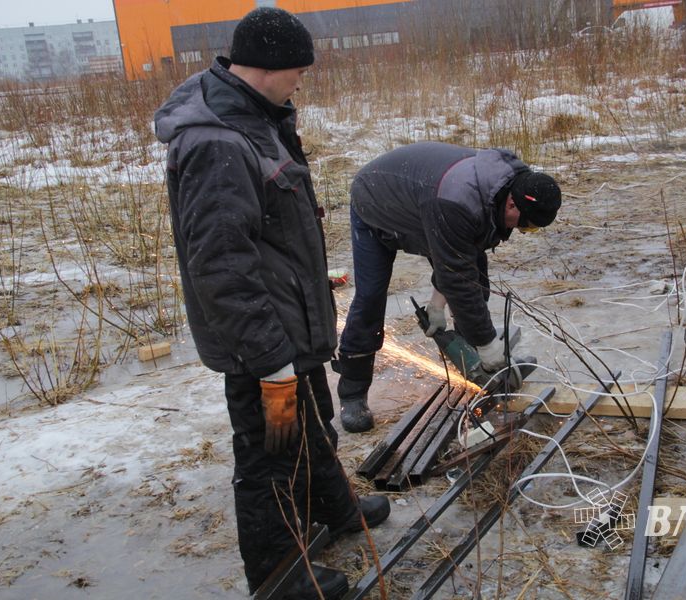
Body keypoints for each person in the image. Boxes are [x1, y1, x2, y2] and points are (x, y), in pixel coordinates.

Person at [154, 8, 389, 599]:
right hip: (260, 338)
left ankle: (333, 509)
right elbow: (221, 264)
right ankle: (280, 576)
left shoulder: (259, 119)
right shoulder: (216, 142)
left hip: (293, 318)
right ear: (267, 67)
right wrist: (268, 358)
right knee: (267, 456)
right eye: (298, 71)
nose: (302, 81)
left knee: (313, 425)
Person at [335, 142, 562, 432]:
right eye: (524, 226)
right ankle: (352, 392)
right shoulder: (458, 201)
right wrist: (489, 344)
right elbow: (455, 275)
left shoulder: (505, 187)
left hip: (424, 202)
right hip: (376, 203)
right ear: (512, 203)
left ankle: (476, 367)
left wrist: (438, 303)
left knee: (474, 285)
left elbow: (462, 266)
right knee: (370, 299)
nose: (520, 232)